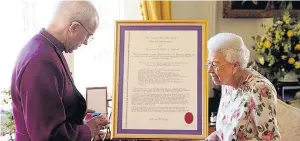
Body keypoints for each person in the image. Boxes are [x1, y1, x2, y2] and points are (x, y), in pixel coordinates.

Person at [10, 1, 108, 141]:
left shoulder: (45, 47)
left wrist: (75, 111)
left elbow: (48, 106)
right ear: (73, 27)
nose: (86, 42)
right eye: (87, 35)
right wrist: (88, 130)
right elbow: (48, 135)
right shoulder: (41, 61)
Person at [205, 33, 281, 141]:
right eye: (209, 64)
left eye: (215, 64)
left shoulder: (259, 89)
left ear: (235, 66)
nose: (209, 70)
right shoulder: (227, 84)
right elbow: (225, 130)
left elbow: (270, 138)